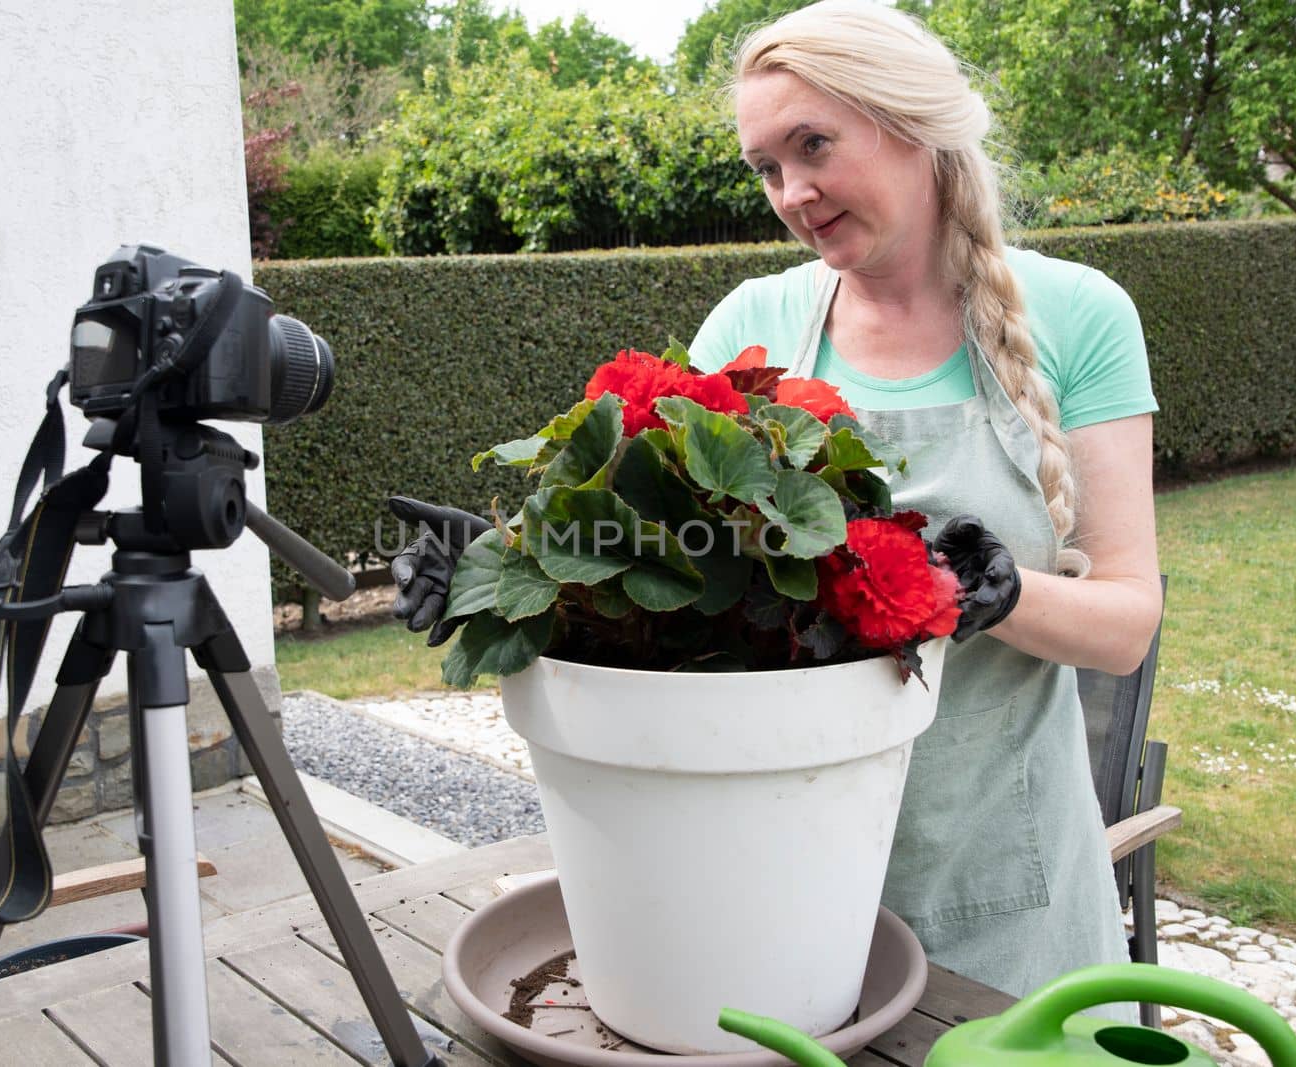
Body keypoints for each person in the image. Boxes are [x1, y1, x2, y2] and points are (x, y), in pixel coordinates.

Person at [391, 0, 1162, 1010]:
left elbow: (1124, 622)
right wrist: (509, 572)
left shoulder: (1078, 314)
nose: (791, 192)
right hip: (761, 867)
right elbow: (678, 576)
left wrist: (1004, 594)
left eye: (813, 146)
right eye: (764, 166)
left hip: (995, 886)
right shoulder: (753, 321)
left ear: (911, 122)